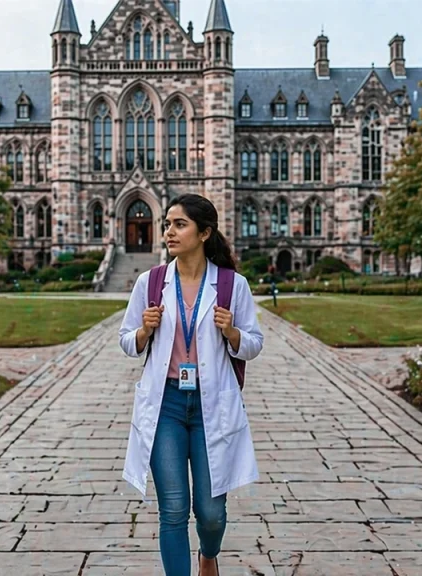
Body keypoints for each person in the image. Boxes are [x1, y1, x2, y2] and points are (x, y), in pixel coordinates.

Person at [118, 194, 264, 576]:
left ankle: (208, 555)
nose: (169, 231)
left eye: (179, 224)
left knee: (211, 513)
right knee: (173, 509)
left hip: (210, 406)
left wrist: (232, 332)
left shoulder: (232, 285)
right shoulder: (150, 282)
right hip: (165, 405)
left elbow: (254, 344)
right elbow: (126, 341)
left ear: (204, 233)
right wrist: (144, 331)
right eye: (167, 224)